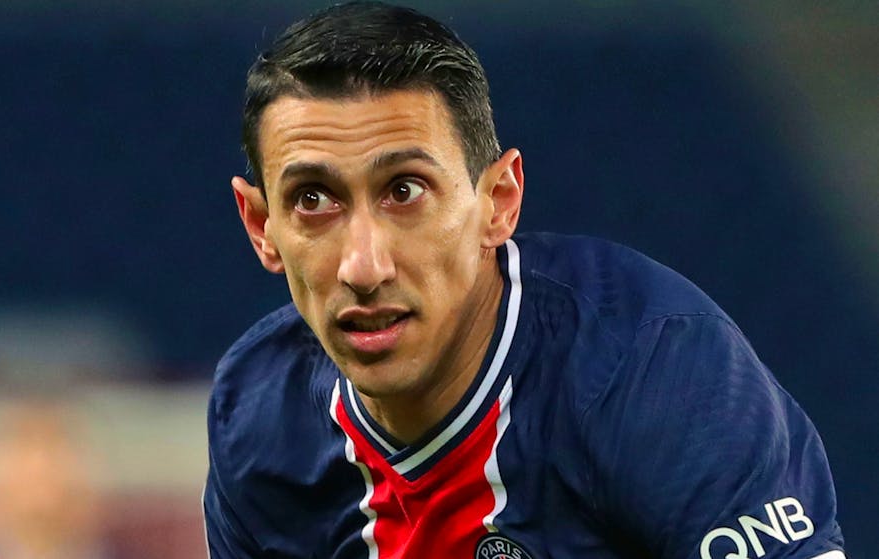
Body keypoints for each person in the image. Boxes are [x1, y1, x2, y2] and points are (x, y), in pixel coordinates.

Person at [203, 2, 846, 558]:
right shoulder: (257, 418)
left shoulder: (653, 370)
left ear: (498, 202)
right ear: (261, 225)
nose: (363, 266)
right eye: (314, 201)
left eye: (405, 191)